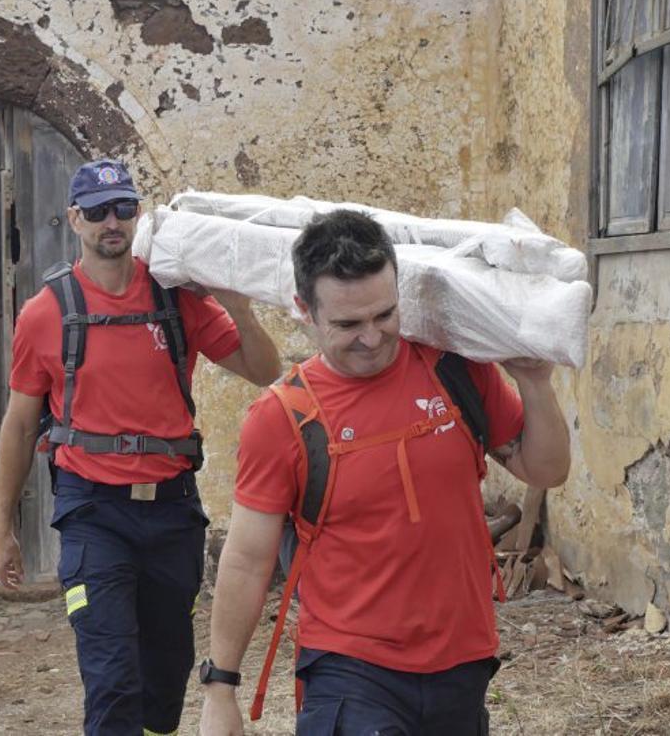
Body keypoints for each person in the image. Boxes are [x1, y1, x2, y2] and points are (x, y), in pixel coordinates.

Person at [200, 209, 571, 736]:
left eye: (385, 315)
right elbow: (246, 559)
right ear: (304, 310)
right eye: (348, 324)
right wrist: (220, 689)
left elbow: (546, 469)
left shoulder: (453, 370)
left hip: (463, 660)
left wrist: (535, 384)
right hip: (350, 669)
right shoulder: (283, 418)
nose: (372, 338)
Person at [0, 159, 281, 736]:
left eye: (122, 208)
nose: (111, 221)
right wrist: (2, 527)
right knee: (112, 677)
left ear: (137, 214)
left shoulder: (176, 299)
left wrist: (240, 307)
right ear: (75, 219)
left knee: (164, 678)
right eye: (97, 211)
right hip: (92, 512)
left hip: (172, 508)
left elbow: (264, 370)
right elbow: (20, 426)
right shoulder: (45, 313)